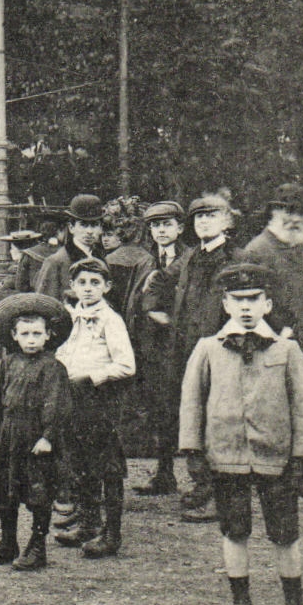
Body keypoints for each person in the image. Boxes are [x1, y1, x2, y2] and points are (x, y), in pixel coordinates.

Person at [179, 263, 303, 605]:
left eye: (254, 299)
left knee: (285, 534)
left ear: (267, 304)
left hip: (276, 456)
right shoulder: (208, 348)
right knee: (235, 530)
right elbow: (192, 401)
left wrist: (301, 455)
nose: (245, 307)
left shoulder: (287, 350)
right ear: (225, 304)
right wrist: (193, 450)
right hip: (226, 455)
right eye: (237, 299)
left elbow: (302, 405)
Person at [155, 192, 241, 522]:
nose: (203, 222)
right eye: (198, 217)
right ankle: (204, 484)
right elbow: (161, 283)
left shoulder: (235, 257)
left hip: (222, 350)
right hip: (186, 349)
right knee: (193, 414)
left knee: (220, 418)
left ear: (227, 221)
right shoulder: (190, 257)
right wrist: (158, 313)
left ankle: (222, 495)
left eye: (211, 215)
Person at [239, 183, 303, 495]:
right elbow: (249, 299)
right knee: (279, 407)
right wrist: (279, 330)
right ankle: (280, 473)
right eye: (286, 210)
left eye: (299, 212)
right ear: (272, 213)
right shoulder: (257, 250)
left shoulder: (301, 249)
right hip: (278, 343)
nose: (293, 217)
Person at [0, 293, 73, 572]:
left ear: (48, 335)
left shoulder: (53, 368)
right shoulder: (6, 364)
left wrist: (48, 437)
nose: (31, 340)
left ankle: (37, 545)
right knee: (6, 492)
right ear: (14, 336)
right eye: (25, 334)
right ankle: (8, 543)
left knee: (38, 494)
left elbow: (57, 405)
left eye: (37, 334)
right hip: (9, 437)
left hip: (36, 440)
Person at [52, 257, 136, 557]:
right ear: (72, 286)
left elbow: (126, 365)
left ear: (107, 287)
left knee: (107, 466)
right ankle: (88, 524)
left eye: (95, 283)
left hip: (100, 400)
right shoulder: (70, 317)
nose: (88, 289)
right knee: (80, 461)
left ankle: (112, 534)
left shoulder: (111, 320)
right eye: (82, 283)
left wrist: (91, 378)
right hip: (73, 398)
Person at [133, 200, 192, 496]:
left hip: (181, 344)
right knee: (159, 409)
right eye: (155, 225)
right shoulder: (146, 261)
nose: (161, 231)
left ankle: (201, 480)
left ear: (180, 228)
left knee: (186, 406)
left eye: (167, 224)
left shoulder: (191, 259)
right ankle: (164, 472)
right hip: (152, 347)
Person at [31, 194, 106, 303]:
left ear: (101, 228)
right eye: (83, 225)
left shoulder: (102, 259)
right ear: (71, 227)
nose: (89, 231)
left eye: (94, 225)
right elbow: (46, 305)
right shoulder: (56, 262)